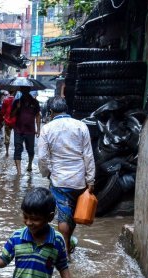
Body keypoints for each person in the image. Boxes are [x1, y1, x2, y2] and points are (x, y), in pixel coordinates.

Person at [36, 97, 95, 254]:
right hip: (79, 180)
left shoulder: (47, 128)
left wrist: (47, 172)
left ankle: (65, 250)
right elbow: (88, 155)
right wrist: (90, 180)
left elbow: (42, 157)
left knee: (63, 215)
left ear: (50, 112)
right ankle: (68, 244)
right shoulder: (81, 126)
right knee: (73, 213)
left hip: (60, 179)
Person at [11, 88, 41, 174]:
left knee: (30, 150)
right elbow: (12, 115)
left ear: (29, 90)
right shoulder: (17, 101)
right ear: (21, 91)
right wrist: (17, 108)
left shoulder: (35, 102)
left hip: (30, 130)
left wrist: (38, 129)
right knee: (17, 149)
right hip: (18, 129)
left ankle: (30, 164)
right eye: (23, 90)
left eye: (26, 90)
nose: (24, 91)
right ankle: (19, 172)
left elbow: (38, 116)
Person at [0, 90, 16, 156]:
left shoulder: (5, 100)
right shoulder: (16, 100)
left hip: (7, 121)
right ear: (14, 92)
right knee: (17, 136)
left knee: (7, 136)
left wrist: (0, 120)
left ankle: (7, 152)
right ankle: (16, 151)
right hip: (15, 121)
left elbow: (2, 111)